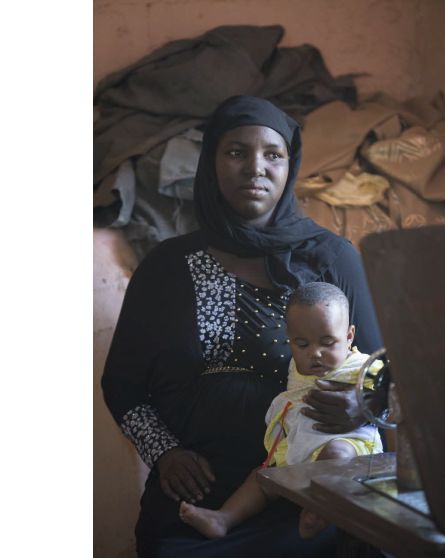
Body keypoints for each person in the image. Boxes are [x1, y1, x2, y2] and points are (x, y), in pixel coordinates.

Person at [101, 95, 385, 558]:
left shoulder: (331, 257)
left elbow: (383, 371)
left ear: (289, 167)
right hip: (197, 501)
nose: (255, 167)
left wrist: (364, 404)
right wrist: (164, 454)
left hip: (312, 495)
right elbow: (122, 385)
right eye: (236, 152)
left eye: (273, 154)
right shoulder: (166, 266)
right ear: (211, 161)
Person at [178, 281, 385, 540]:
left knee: (336, 454)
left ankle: (316, 510)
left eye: (327, 342)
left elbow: (393, 391)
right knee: (261, 478)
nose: (315, 354)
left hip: (348, 447)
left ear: (349, 335)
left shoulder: (363, 367)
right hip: (297, 448)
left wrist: (373, 398)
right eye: (302, 344)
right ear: (290, 339)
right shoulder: (295, 368)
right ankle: (222, 518)